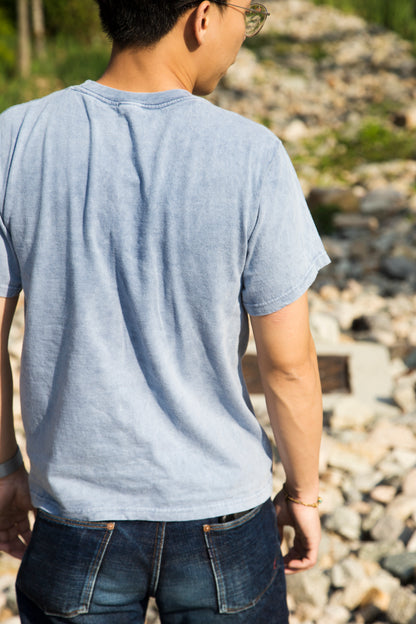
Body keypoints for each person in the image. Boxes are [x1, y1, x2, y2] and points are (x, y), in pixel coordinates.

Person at [0, 1, 330, 622]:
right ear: (203, 17)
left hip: (74, 513)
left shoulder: (15, 139)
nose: (243, 33)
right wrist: (303, 493)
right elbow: (288, 365)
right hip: (222, 514)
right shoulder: (254, 155)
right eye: (247, 14)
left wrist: (3, 466)